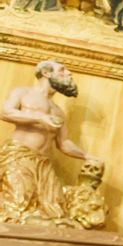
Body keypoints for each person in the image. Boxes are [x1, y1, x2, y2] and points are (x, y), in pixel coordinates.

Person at [0, 60, 102, 226]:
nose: (68, 73)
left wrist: (89, 156)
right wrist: (39, 118)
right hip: (19, 158)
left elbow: (64, 143)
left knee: (55, 210)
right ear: (46, 73)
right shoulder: (23, 93)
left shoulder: (57, 111)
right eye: (62, 70)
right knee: (19, 203)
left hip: (45, 166)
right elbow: (5, 112)